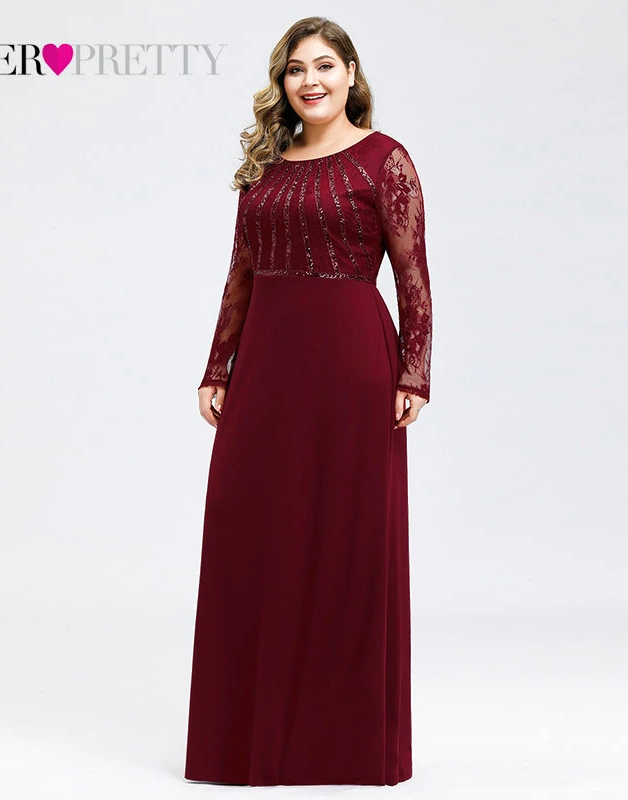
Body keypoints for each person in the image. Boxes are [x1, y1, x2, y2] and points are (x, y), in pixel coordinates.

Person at [184, 15, 433, 787]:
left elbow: (413, 274)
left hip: (352, 364)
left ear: (351, 73)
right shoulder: (265, 165)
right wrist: (217, 364)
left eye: (324, 65)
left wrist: (414, 372)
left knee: (345, 542)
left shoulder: (385, 160)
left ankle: (340, 744)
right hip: (267, 360)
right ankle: (247, 742)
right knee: (251, 530)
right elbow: (240, 271)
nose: (310, 80)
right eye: (296, 69)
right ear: (282, 82)